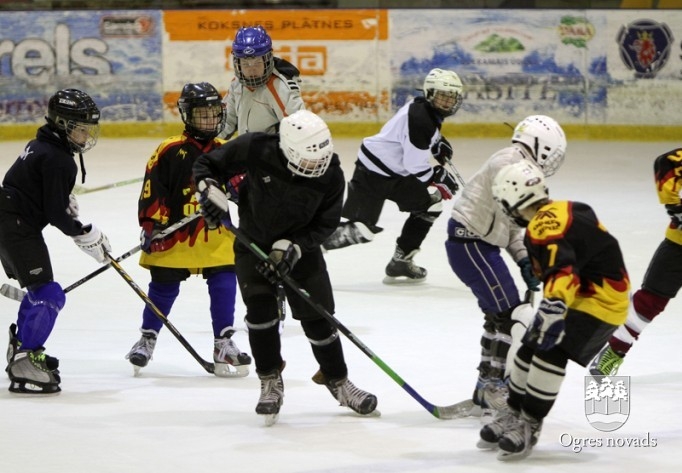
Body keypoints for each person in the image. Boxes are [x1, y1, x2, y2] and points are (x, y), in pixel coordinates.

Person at [192, 109, 378, 424]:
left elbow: (327, 223)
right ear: (286, 148)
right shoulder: (257, 147)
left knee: (319, 316)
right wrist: (210, 189)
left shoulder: (330, 174)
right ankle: (269, 381)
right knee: (261, 314)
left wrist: (293, 246)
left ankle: (338, 381)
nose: (314, 168)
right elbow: (207, 163)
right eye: (307, 162)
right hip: (254, 244)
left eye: (319, 161)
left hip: (300, 248)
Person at [478, 160, 629, 460]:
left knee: (550, 353)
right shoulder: (569, 208)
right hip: (582, 295)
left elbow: (562, 269)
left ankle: (529, 423)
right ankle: (513, 411)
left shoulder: (541, 226)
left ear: (513, 201)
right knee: (526, 351)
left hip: (599, 304)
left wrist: (553, 307)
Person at [125, 82, 251, 378]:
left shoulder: (225, 150)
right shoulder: (169, 150)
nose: (209, 120)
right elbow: (152, 189)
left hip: (215, 232)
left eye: (213, 113)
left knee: (224, 278)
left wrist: (239, 189)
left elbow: (240, 188)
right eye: (202, 114)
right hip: (174, 234)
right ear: (187, 116)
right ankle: (147, 338)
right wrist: (151, 225)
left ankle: (224, 341)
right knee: (163, 286)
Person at [444, 115, 566, 413]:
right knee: (509, 315)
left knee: (498, 315)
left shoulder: (516, 164)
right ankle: (492, 386)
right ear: (542, 147)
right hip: (470, 245)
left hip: (479, 246)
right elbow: (516, 216)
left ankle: (486, 387)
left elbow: (512, 225)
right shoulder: (510, 164)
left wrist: (525, 260)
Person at [1, 88, 111, 394]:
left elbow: (28, 187)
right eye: (81, 128)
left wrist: (61, 197)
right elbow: (54, 213)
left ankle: (24, 347)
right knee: (49, 294)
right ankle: (25, 358)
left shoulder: (41, 144)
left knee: (40, 290)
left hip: (11, 220)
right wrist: (84, 232)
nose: (87, 134)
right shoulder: (59, 160)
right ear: (63, 124)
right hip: (16, 225)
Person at [322, 68, 462, 284]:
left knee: (430, 207)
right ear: (430, 93)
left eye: (451, 97)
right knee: (362, 230)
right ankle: (309, 246)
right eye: (442, 96)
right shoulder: (420, 118)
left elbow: (413, 141)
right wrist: (435, 176)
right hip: (372, 173)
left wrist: (436, 143)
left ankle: (401, 261)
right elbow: (415, 164)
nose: (446, 102)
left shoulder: (423, 109)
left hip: (397, 174)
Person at [590, 147, 682, 376]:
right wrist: (677, 209)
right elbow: (666, 163)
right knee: (649, 301)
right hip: (679, 246)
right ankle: (613, 353)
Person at [219, 25, 305, 139]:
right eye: (245, 64)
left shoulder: (280, 87)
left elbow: (299, 129)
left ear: (267, 60)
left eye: (257, 62)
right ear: (237, 63)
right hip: (247, 152)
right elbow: (227, 122)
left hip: (272, 154)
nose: (251, 69)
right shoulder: (236, 84)